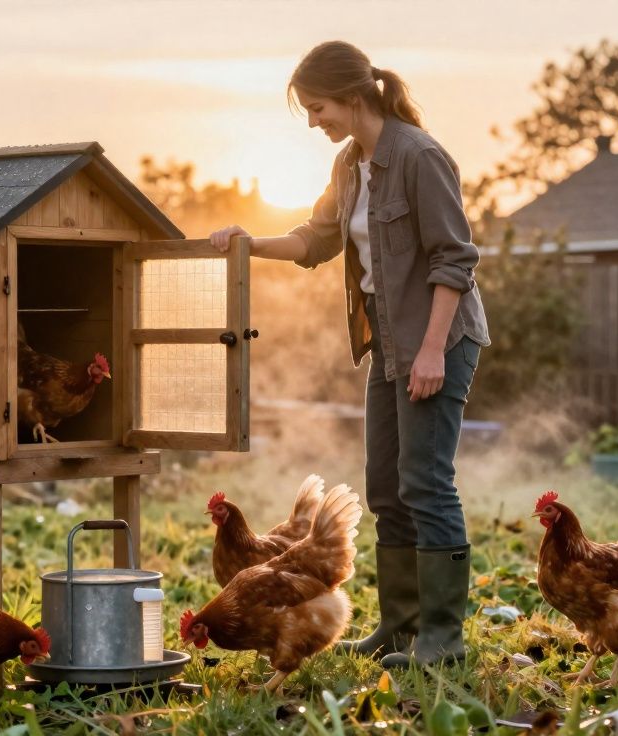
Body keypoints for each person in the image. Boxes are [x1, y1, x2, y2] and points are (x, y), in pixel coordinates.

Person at [209, 41, 490, 669]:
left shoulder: (419, 156)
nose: (314, 121)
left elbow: (454, 260)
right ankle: (401, 626)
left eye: (318, 107)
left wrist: (432, 352)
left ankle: (443, 638)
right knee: (385, 487)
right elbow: (319, 238)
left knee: (426, 483)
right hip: (389, 345)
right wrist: (249, 243)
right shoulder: (350, 166)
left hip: (437, 341)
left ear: (354, 95)